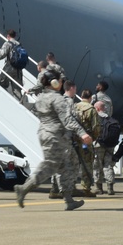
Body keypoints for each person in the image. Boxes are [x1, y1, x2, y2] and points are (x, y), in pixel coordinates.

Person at [15, 76, 91, 210]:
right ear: (54, 83)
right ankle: (24, 188)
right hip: (55, 136)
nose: (62, 83)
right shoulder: (57, 98)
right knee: (50, 165)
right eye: (60, 81)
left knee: (65, 166)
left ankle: (69, 200)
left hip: (48, 133)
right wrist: (82, 132)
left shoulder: (41, 97)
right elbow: (67, 119)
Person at [73, 89, 99, 197]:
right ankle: (86, 188)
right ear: (90, 98)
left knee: (73, 164)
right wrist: (93, 138)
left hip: (74, 140)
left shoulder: (74, 106)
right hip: (86, 140)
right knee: (87, 164)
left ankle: (71, 187)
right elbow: (96, 127)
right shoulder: (91, 109)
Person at [0, 29, 23, 97]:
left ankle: (5, 97)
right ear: (15, 36)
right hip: (19, 68)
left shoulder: (7, 44)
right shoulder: (19, 45)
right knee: (17, 89)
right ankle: (20, 104)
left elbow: (2, 54)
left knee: (2, 81)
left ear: (8, 36)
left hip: (9, 66)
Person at [93, 100, 117, 196]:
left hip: (98, 145)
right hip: (110, 145)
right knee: (108, 166)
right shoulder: (110, 119)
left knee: (97, 166)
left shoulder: (96, 118)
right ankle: (110, 187)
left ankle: (98, 188)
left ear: (98, 108)